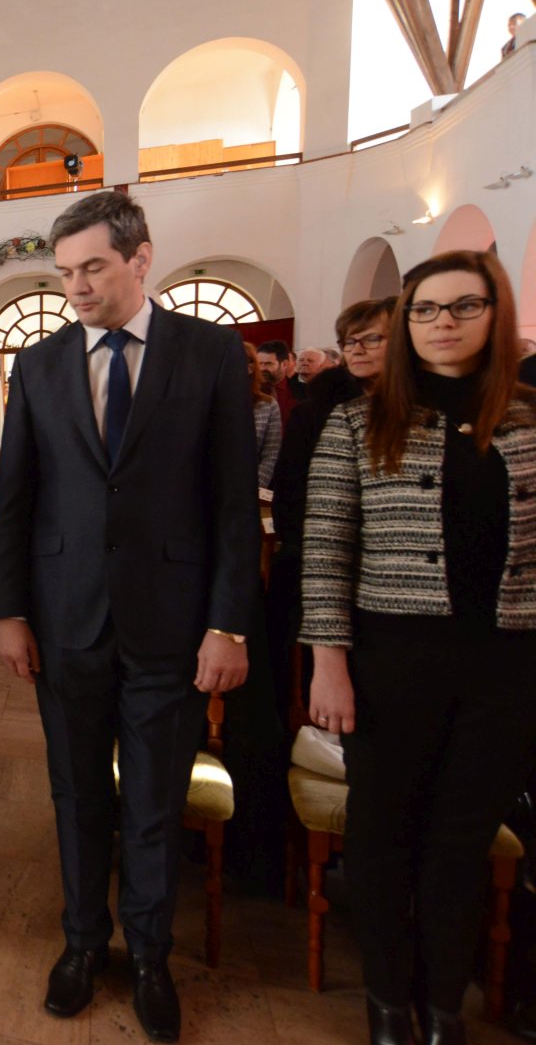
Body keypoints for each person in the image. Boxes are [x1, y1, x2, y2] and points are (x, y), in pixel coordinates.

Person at [0, 191, 258, 1043]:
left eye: (93, 268)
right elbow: (16, 499)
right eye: (65, 272)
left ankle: (149, 956)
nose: (75, 286)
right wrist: (9, 612)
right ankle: (81, 942)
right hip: (65, 619)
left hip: (171, 624)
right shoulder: (38, 365)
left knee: (152, 800)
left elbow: (232, 505)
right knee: (76, 794)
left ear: (141, 259)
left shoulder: (210, 354)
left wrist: (228, 623)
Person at [302, 250, 536, 1045]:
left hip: (505, 664)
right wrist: (328, 661)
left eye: (464, 305)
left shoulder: (527, 419)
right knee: (381, 836)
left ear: (495, 315)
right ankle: (386, 1004)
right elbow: (326, 548)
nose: (443, 322)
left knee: (461, 844)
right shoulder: (359, 420)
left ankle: (442, 1010)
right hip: (392, 659)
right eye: (426, 309)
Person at [266, 299, 391, 732]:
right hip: (323, 560)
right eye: (349, 341)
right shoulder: (333, 415)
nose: (357, 349)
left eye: (371, 339)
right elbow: (295, 488)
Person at [246, 341, 282, 489]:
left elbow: (271, 453)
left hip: (250, 485)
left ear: (250, 368)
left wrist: (255, 487)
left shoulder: (267, 405)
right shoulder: (208, 400)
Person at [257, 339, 296, 421]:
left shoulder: (302, 392)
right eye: (259, 363)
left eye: (268, 364)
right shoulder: (248, 390)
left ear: (284, 364)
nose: (262, 368)